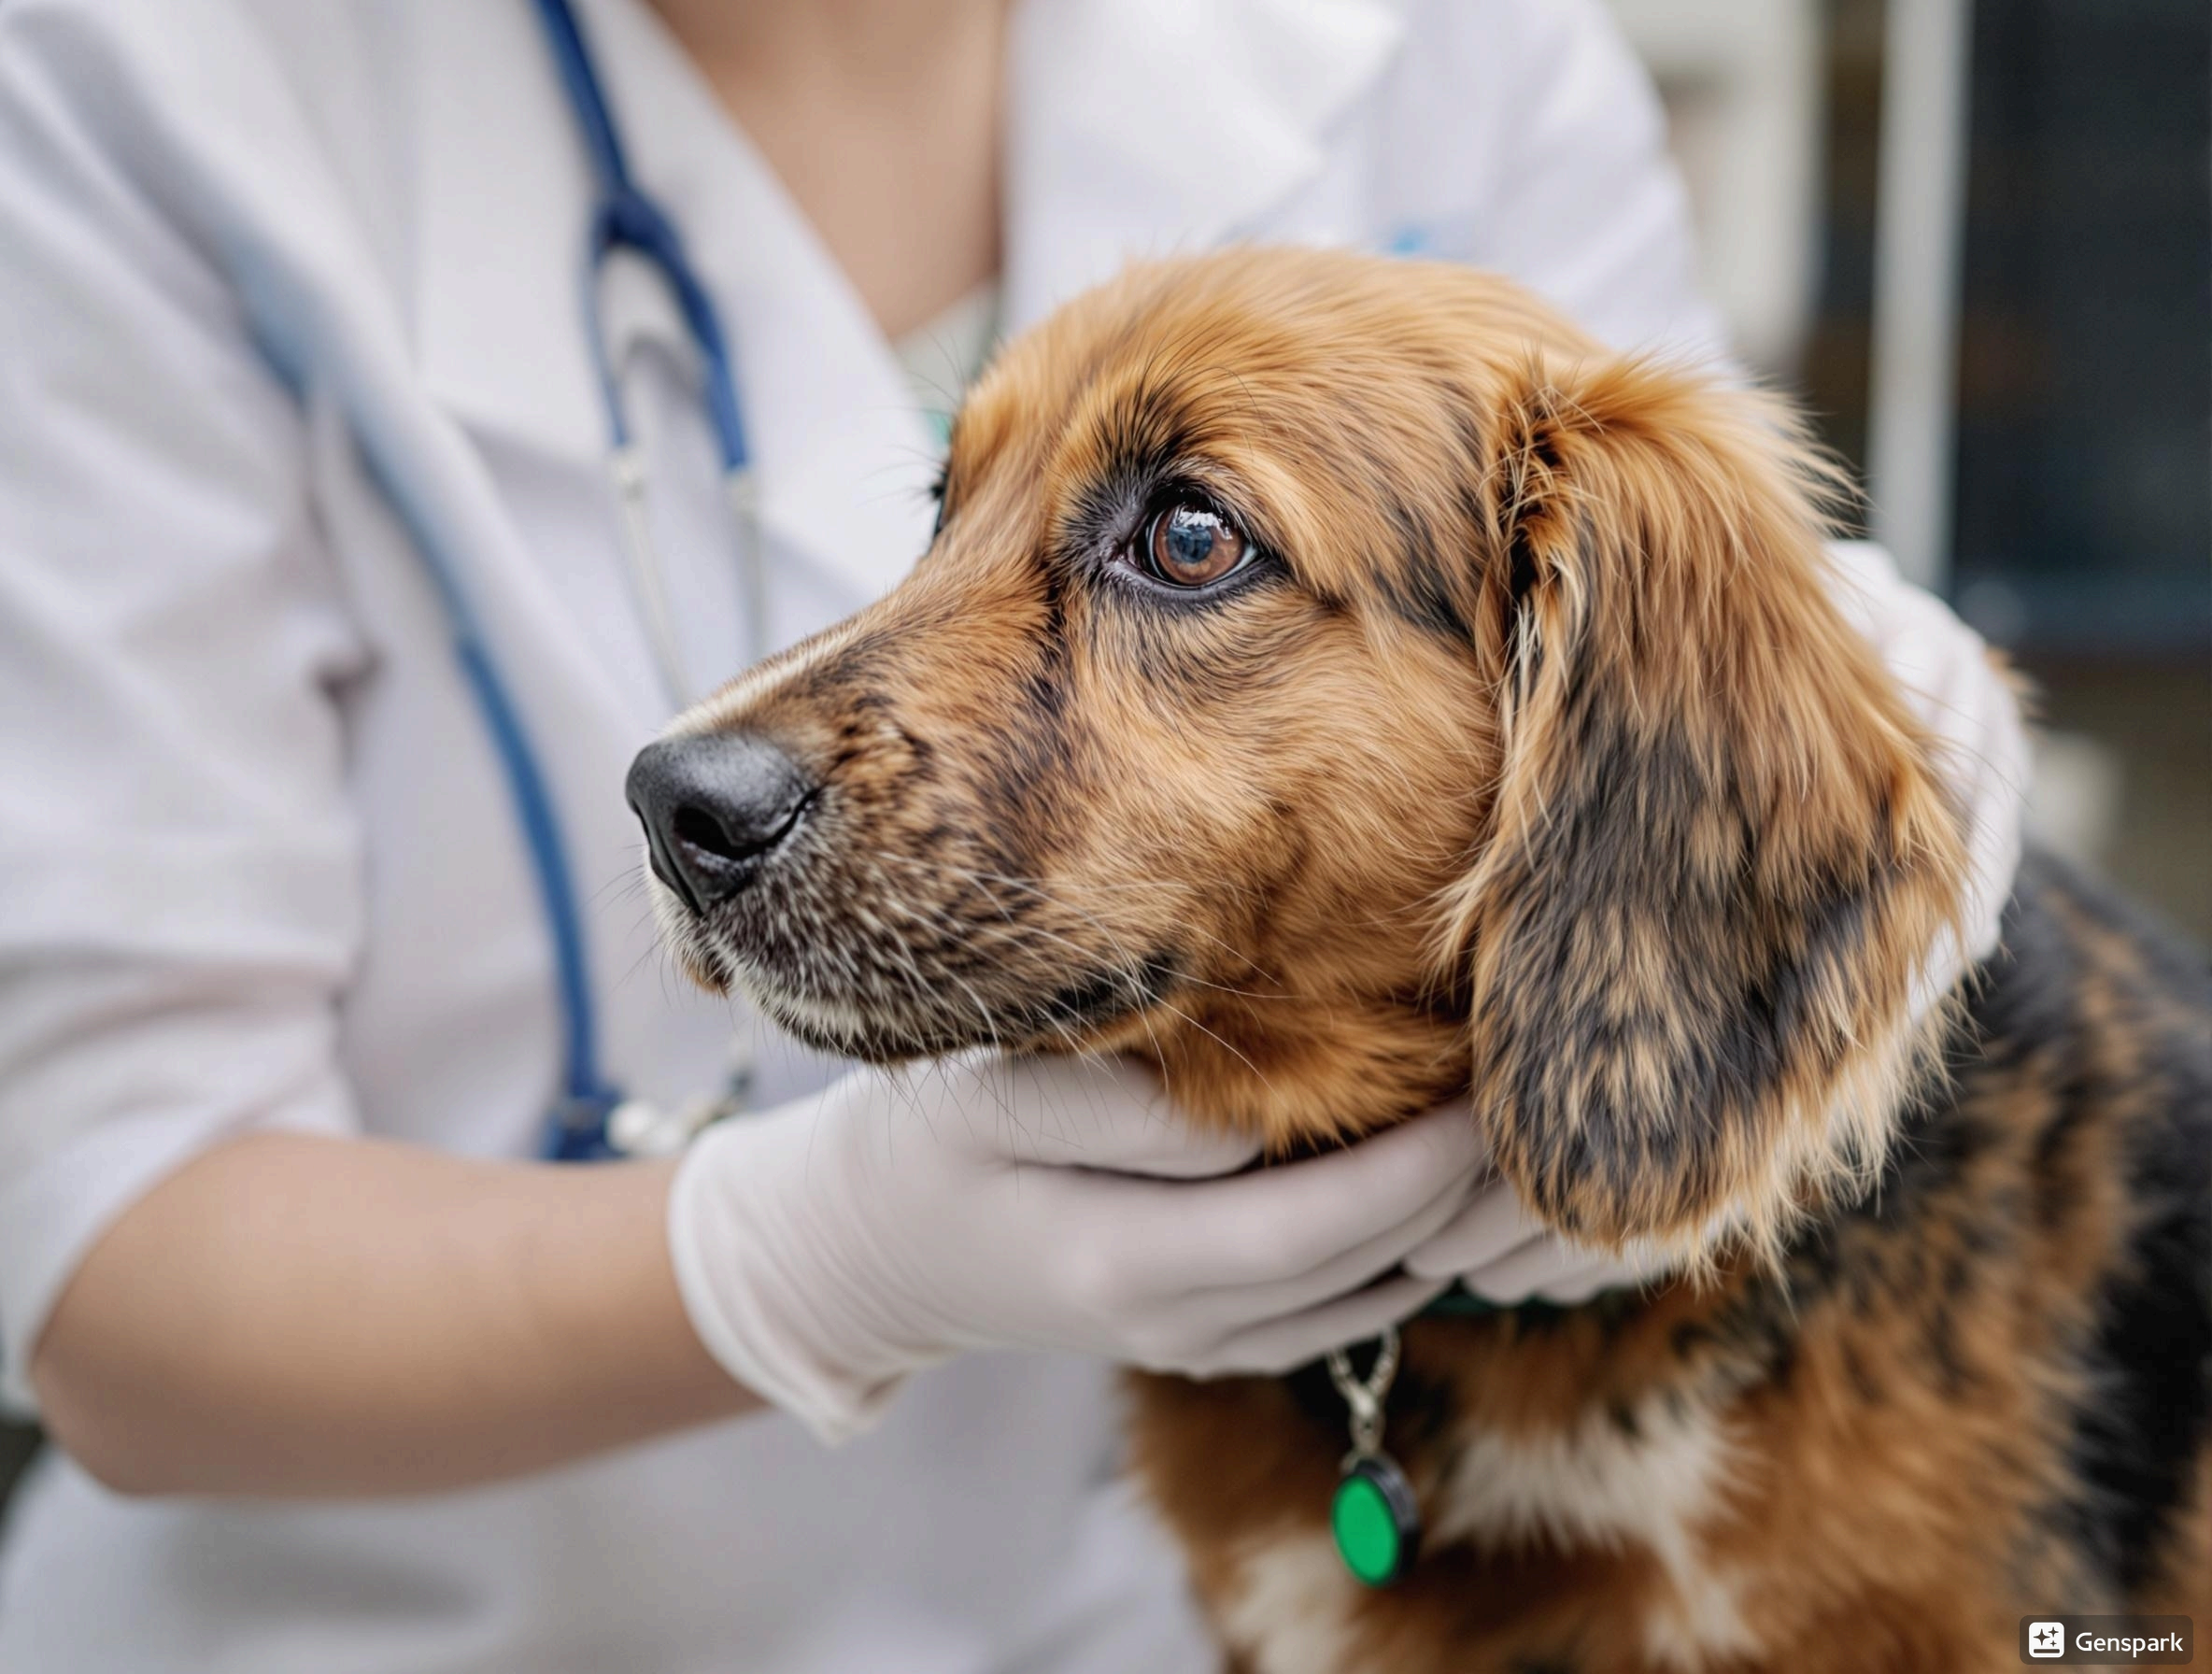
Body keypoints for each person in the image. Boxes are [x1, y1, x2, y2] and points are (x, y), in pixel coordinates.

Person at [0, 0, 2028, 1667]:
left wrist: (1894, 743)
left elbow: (1698, 656)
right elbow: (107, 1242)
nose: (732, 759)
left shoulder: (1444, 39)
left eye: (1184, 537)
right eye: (944, 501)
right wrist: (807, 1255)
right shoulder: (134, 77)